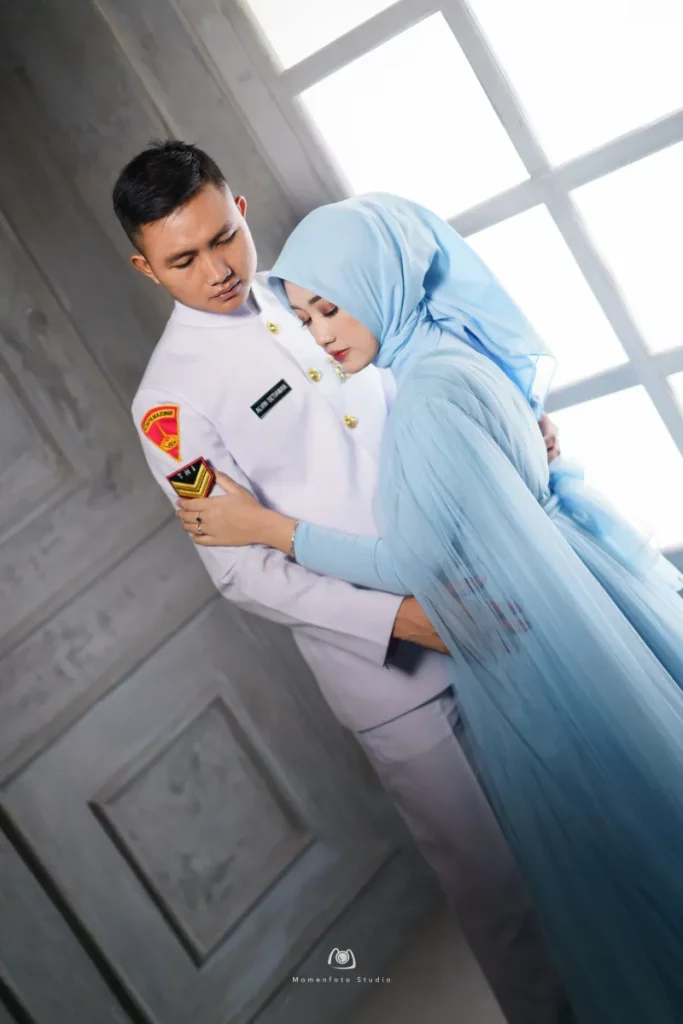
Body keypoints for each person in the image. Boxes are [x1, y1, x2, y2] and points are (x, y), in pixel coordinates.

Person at [177, 192, 683, 1024]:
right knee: (524, 889)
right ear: (147, 266)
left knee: (603, 864)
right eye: (305, 315)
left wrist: (266, 526)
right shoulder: (445, 353)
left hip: (509, 631)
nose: (317, 331)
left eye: (327, 308)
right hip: (435, 656)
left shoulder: (423, 391)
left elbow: (415, 556)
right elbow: (242, 573)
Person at [112, 143, 572, 1024]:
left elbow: (427, 373)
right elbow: (242, 568)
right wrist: (400, 618)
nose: (217, 269)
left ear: (241, 209)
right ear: (145, 268)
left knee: (585, 827)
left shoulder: (322, 288)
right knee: (499, 896)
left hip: (496, 598)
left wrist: (513, 425)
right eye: (183, 259)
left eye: (224, 237)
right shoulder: (168, 405)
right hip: (393, 680)